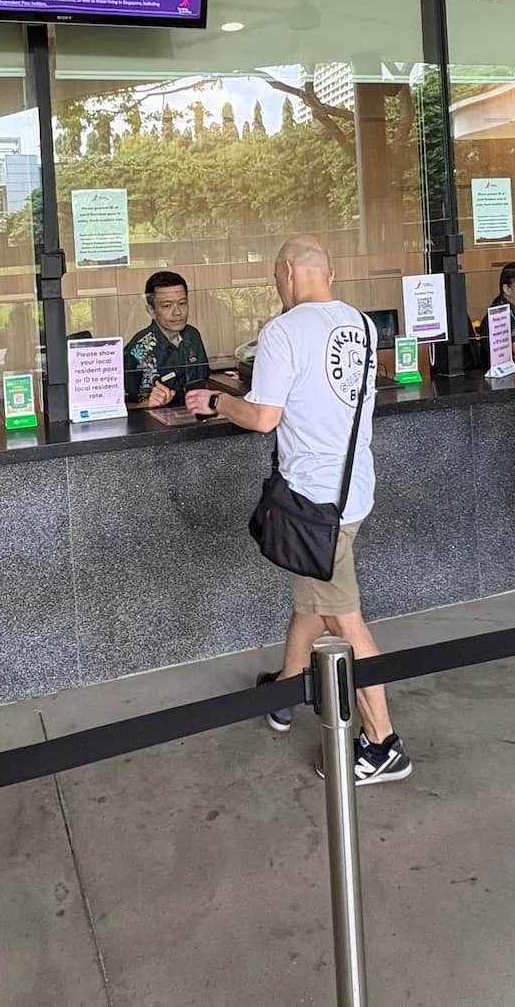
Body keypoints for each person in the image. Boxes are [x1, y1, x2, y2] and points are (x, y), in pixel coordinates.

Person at [186, 236, 411, 785]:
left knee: (343, 617)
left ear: (288, 272)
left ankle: (384, 742)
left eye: (274, 278)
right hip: (353, 489)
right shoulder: (361, 324)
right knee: (313, 597)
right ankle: (287, 692)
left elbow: (264, 416)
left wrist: (215, 401)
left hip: (312, 502)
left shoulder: (282, 332)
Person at [124, 270, 209, 408]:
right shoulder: (139, 349)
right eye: (167, 306)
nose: (177, 312)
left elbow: (203, 380)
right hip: (153, 424)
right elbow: (121, 406)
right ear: (151, 310)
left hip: (194, 416)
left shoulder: (192, 336)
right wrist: (147, 404)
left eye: (182, 303)